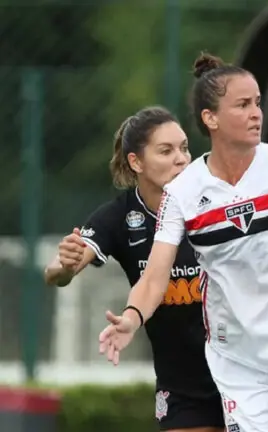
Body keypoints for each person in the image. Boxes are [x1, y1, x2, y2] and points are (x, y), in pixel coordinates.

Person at [96, 53, 268, 432]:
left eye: (257, 103)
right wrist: (132, 318)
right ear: (210, 118)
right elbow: (154, 277)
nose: (256, 114)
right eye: (242, 105)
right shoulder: (183, 193)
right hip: (242, 366)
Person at [43, 106, 225, 432]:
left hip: (241, 368)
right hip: (182, 382)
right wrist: (67, 265)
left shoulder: (218, 200)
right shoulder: (120, 217)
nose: (181, 158)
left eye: (184, 148)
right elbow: (56, 270)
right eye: (166, 151)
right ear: (136, 162)